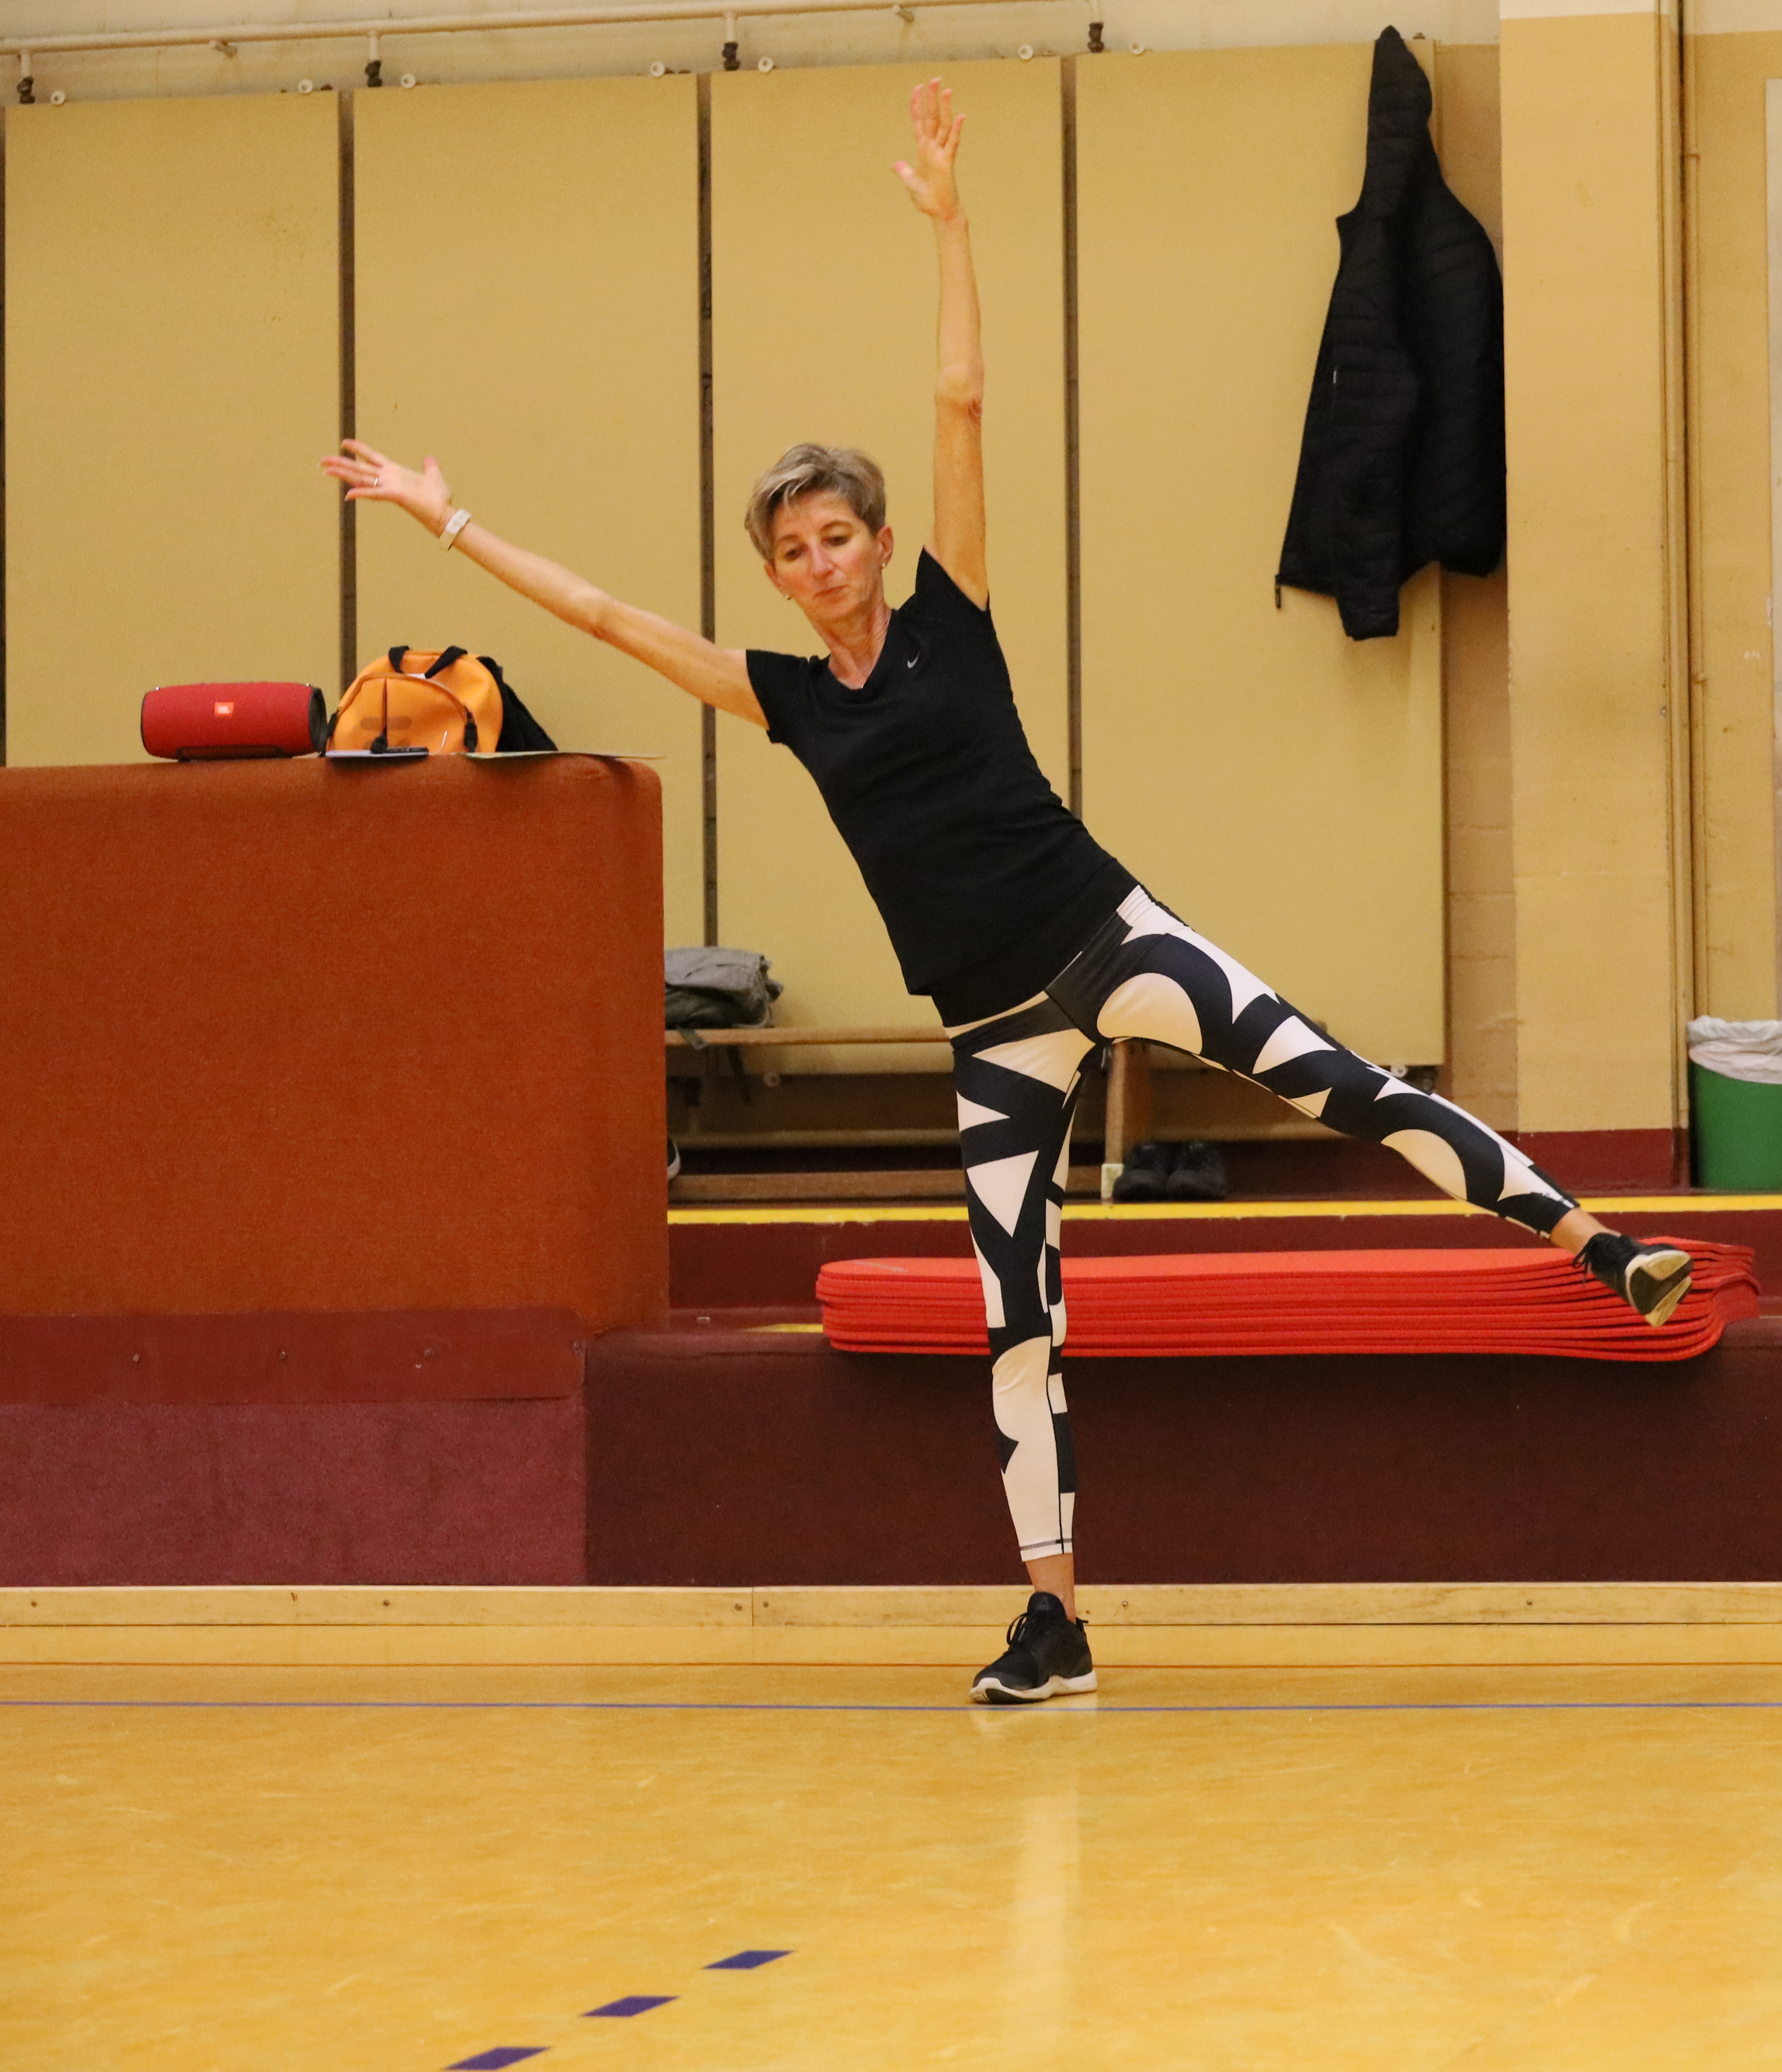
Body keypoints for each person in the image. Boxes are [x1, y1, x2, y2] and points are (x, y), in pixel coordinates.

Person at [323, 79, 1693, 1705]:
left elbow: (962, 398)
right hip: (991, 1028)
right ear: (775, 576)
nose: (822, 564)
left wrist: (950, 226)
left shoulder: (949, 617)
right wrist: (451, 522)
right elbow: (610, 621)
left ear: (880, 541)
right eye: (795, 551)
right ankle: (1056, 1619)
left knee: (1341, 1081)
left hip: (1108, 938)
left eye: (840, 537)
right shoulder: (787, 696)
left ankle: (1597, 1241)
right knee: (1015, 1310)